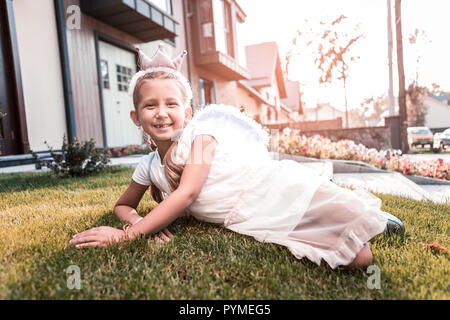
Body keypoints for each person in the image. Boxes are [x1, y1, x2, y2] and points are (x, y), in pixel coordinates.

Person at [70, 46, 404, 269]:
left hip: (271, 190)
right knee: (359, 259)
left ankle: (367, 217)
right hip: (247, 217)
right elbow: (122, 205)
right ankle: (356, 221)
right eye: (150, 105)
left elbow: (186, 194)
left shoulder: (201, 135)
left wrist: (128, 235)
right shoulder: (148, 167)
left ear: (186, 113)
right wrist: (137, 222)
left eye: (171, 104)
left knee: (357, 236)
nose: (161, 113)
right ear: (135, 116)